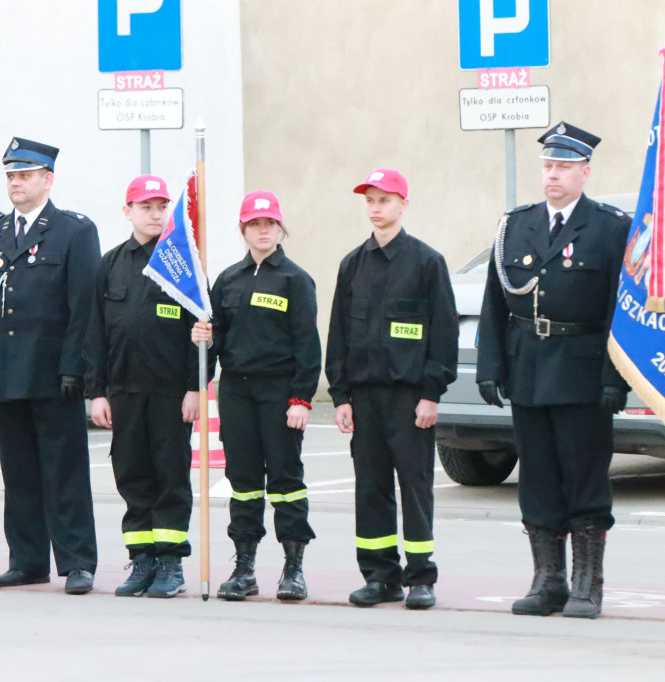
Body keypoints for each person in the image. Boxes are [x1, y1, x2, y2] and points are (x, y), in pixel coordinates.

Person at [476, 122, 630, 619]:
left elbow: (618, 308)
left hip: (583, 369)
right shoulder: (515, 226)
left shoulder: (610, 228)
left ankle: (587, 584)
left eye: (564, 166)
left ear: (585, 172)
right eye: (547, 166)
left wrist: (614, 377)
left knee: (585, 477)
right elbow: (495, 305)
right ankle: (548, 581)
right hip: (528, 369)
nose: (553, 175)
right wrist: (491, 367)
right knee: (537, 477)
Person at [0, 137, 100, 595]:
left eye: (24, 175)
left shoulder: (73, 231)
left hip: (51, 370)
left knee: (64, 472)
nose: (16, 184)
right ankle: (26, 560)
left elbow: (84, 307)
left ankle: (77, 561)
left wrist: (76, 368)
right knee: (17, 472)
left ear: (48, 180)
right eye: (11, 176)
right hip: (5, 370)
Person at [324, 168, 457, 610]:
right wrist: (340, 395)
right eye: (370, 200)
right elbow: (338, 333)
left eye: (384, 199)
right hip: (363, 397)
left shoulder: (426, 263)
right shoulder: (352, 264)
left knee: (415, 486)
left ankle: (421, 578)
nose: (376, 207)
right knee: (370, 486)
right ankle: (380, 576)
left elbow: (443, 333)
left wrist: (431, 393)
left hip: (409, 397)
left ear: (403, 204)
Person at [191, 190, 320, 602]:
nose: (262, 231)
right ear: (243, 229)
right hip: (237, 392)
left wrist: (301, 399)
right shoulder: (228, 279)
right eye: (254, 224)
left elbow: (308, 344)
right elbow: (217, 341)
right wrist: (203, 341)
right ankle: (244, 567)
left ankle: (293, 568)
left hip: (280, 391)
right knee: (243, 481)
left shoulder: (296, 280)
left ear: (280, 228)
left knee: (285, 480)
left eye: (269, 224)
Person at [84, 175, 199, 598]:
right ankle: (142, 561)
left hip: (171, 393)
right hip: (124, 392)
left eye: (160, 206)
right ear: (127, 211)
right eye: (145, 206)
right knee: (132, 475)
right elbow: (94, 334)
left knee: (170, 475)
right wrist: (97, 392)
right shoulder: (110, 264)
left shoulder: (182, 263)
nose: (154, 214)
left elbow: (202, 332)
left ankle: (170, 563)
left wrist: (195, 387)